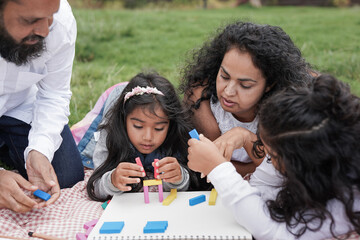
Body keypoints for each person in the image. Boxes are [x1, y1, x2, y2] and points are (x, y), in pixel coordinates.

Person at [187, 74, 360, 239]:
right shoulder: (321, 166)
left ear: (305, 165)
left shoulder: (344, 203)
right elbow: (262, 184)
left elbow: (274, 233)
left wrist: (218, 169)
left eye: (273, 156)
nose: (269, 161)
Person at [179, 21, 314, 179]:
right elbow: (214, 164)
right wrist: (256, 161)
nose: (228, 92)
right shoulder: (200, 98)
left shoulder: (285, 107)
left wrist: (244, 137)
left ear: (270, 85)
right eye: (224, 76)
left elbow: (282, 170)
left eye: (245, 85)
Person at [0, 0, 84, 213]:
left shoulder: (61, 22)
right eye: (31, 20)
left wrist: (40, 150)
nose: (45, 31)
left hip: (17, 106)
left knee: (64, 177)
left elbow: (55, 94)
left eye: (50, 17)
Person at [87, 72, 195, 201]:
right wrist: (112, 181)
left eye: (158, 128)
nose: (148, 137)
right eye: (138, 126)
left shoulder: (177, 136)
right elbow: (96, 186)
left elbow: (191, 183)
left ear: (171, 124)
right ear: (123, 119)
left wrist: (179, 178)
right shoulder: (110, 135)